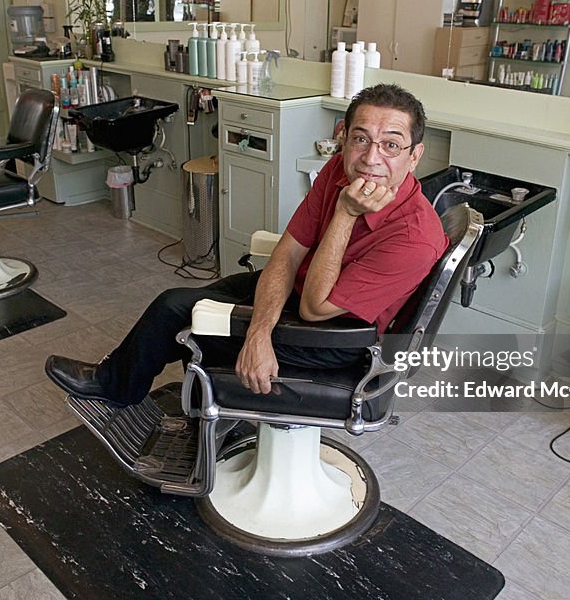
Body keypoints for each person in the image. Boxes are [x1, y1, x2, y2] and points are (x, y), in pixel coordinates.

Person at [45, 84, 449, 404]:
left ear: (414, 157)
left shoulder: (414, 238)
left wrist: (345, 214)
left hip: (337, 335)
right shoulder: (338, 170)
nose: (370, 158)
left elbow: (315, 309)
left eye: (391, 145)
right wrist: (258, 332)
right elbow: (289, 252)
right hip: (300, 294)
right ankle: (188, 401)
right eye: (360, 139)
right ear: (343, 139)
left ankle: (122, 388)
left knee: (180, 312)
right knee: (195, 301)